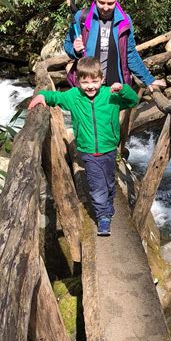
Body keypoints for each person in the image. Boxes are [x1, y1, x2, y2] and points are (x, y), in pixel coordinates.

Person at [28, 57, 139, 236]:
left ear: (101, 80)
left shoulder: (111, 95)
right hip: (88, 151)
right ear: (78, 81)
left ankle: (108, 205)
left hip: (110, 148)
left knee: (109, 181)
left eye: (94, 81)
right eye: (85, 82)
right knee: (97, 186)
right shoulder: (74, 96)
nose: (90, 86)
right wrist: (42, 96)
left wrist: (123, 89)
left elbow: (133, 101)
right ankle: (103, 217)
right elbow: (57, 97)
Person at [64, 0, 166, 90]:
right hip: (87, 85)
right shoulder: (82, 17)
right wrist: (75, 50)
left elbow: (130, 54)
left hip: (113, 86)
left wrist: (148, 79)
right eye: (101, 2)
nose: (106, 8)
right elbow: (68, 44)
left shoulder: (124, 21)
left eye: (110, 3)